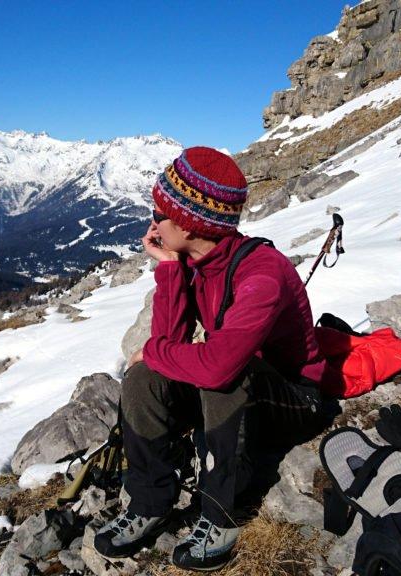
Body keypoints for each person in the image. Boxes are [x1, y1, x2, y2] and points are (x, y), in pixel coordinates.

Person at [93, 146, 334, 571]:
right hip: (240, 391)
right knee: (143, 376)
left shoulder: (262, 272)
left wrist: (152, 350)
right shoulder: (193, 262)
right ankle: (151, 501)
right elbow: (168, 344)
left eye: (158, 212)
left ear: (188, 222)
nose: (152, 222)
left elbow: (220, 365)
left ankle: (220, 514)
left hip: (294, 399)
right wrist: (169, 268)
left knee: (223, 373)